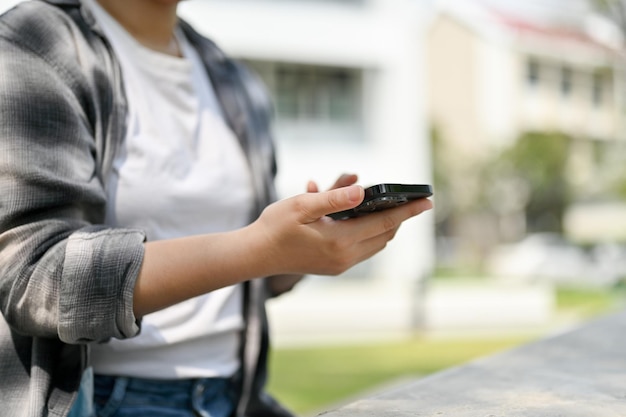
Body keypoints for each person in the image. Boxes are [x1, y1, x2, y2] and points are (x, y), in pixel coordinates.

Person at [0, 0, 433, 416]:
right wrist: (259, 248)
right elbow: (35, 276)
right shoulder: (34, 42)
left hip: (233, 396)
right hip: (102, 399)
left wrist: (304, 245)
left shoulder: (230, 77)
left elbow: (243, 272)